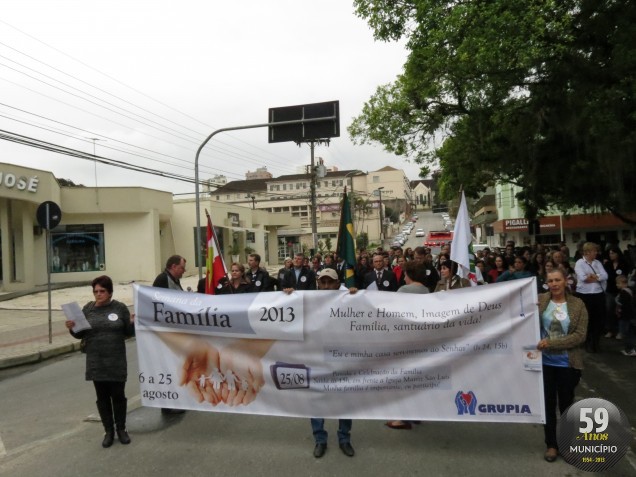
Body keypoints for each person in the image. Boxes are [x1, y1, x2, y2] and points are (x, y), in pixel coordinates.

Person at [65, 276, 135, 448]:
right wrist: (71, 328)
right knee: (102, 398)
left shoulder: (119, 308)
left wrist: (133, 323)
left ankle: (121, 429)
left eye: (102, 291)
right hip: (96, 362)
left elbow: (128, 332)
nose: (98, 294)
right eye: (95, 291)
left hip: (116, 360)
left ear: (110, 292)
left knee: (118, 396)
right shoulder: (88, 309)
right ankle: (108, 431)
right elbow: (80, 334)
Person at [537, 268, 588, 463]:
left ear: (566, 281)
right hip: (544, 363)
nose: (554, 284)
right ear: (547, 283)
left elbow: (580, 336)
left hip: (568, 364)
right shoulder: (541, 300)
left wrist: (551, 343)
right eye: (550, 281)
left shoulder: (577, 304)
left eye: (558, 280)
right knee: (548, 405)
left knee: (567, 406)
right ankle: (551, 445)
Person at [310, 268, 356, 458]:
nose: (327, 286)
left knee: (344, 400)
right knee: (317, 400)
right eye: (323, 282)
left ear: (338, 283)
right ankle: (320, 439)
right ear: (318, 283)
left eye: (330, 282)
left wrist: (356, 297)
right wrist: (288, 295)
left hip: (342, 357)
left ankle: (344, 438)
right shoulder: (309, 299)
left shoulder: (349, 299)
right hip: (317, 357)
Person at [385, 261, 429, 430]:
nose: (403, 277)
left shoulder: (404, 290)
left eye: (405, 275)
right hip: (421, 340)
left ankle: (402, 419)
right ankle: (416, 414)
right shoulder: (426, 290)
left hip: (405, 339)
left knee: (403, 380)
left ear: (409, 275)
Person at [153, 255, 187, 414]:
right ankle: (167, 404)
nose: (184, 271)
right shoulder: (162, 280)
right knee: (168, 368)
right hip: (165, 334)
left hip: (174, 332)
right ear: (173, 266)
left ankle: (174, 401)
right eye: (182, 268)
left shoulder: (174, 280)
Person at [574, 242, 608, 353]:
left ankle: (596, 342)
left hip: (598, 293)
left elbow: (605, 276)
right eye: (594, 251)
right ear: (587, 252)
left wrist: (593, 276)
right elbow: (583, 278)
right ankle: (587, 342)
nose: (596, 253)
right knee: (587, 319)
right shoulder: (579, 263)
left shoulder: (597, 263)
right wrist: (598, 277)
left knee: (598, 319)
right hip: (585, 295)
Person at [615, 275, 636, 356]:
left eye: (618, 283)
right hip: (631, 316)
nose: (617, 285)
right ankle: (631, 349)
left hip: (626, 317)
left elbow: (624, 305)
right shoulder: (630, 291)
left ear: (624, 283)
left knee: (627, 333)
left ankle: (630, 349)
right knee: (630, 333)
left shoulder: (624, 293)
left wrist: (620, 311)